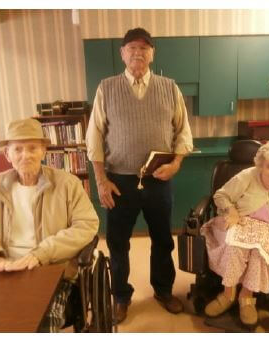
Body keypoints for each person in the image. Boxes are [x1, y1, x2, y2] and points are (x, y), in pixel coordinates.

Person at [86, 27, 193, 323]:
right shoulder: (106, 88)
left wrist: (177, 164)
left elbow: (183, 132)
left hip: (159, 179)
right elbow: (94, 138)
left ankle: (162, 290)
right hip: (119, 182)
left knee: (163, 240)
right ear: (122, 53)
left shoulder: (170, 87)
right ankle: (120, 296)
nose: (138, 52)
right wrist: (101, 180)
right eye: (131, 47)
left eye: (144, 48)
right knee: (118, 243)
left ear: (152, 54)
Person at [0, 118, 99, 332]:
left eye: (32, 148)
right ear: (7, 154)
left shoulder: (67, 184)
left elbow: (86, 225)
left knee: (40, 326)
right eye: (17, 149)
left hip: (49, 269)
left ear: (44, 150)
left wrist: (40, 254)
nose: (25, 155)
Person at [201, 140, 269, 326]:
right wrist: (230, 210)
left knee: (260, 253)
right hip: (241, 221)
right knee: (236, 246)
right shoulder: (247, 176)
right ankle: (228, 294)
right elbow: (220, 196)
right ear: (260, 164)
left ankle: (246, 299)